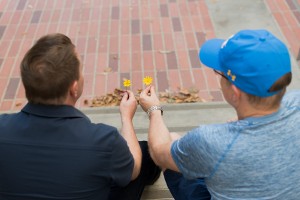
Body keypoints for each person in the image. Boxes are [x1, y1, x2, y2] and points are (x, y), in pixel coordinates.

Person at [139, 29, 300, 199]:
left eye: (220, 73)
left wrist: (153, 110)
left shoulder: (209, 140)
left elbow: (159, 153)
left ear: (235, 92)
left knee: (171, 139)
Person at [0, 33, 160, 200]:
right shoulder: (104, 141)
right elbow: (134, 170)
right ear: (74, 88)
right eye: (80, 70)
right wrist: (126, 118)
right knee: (143, 152)